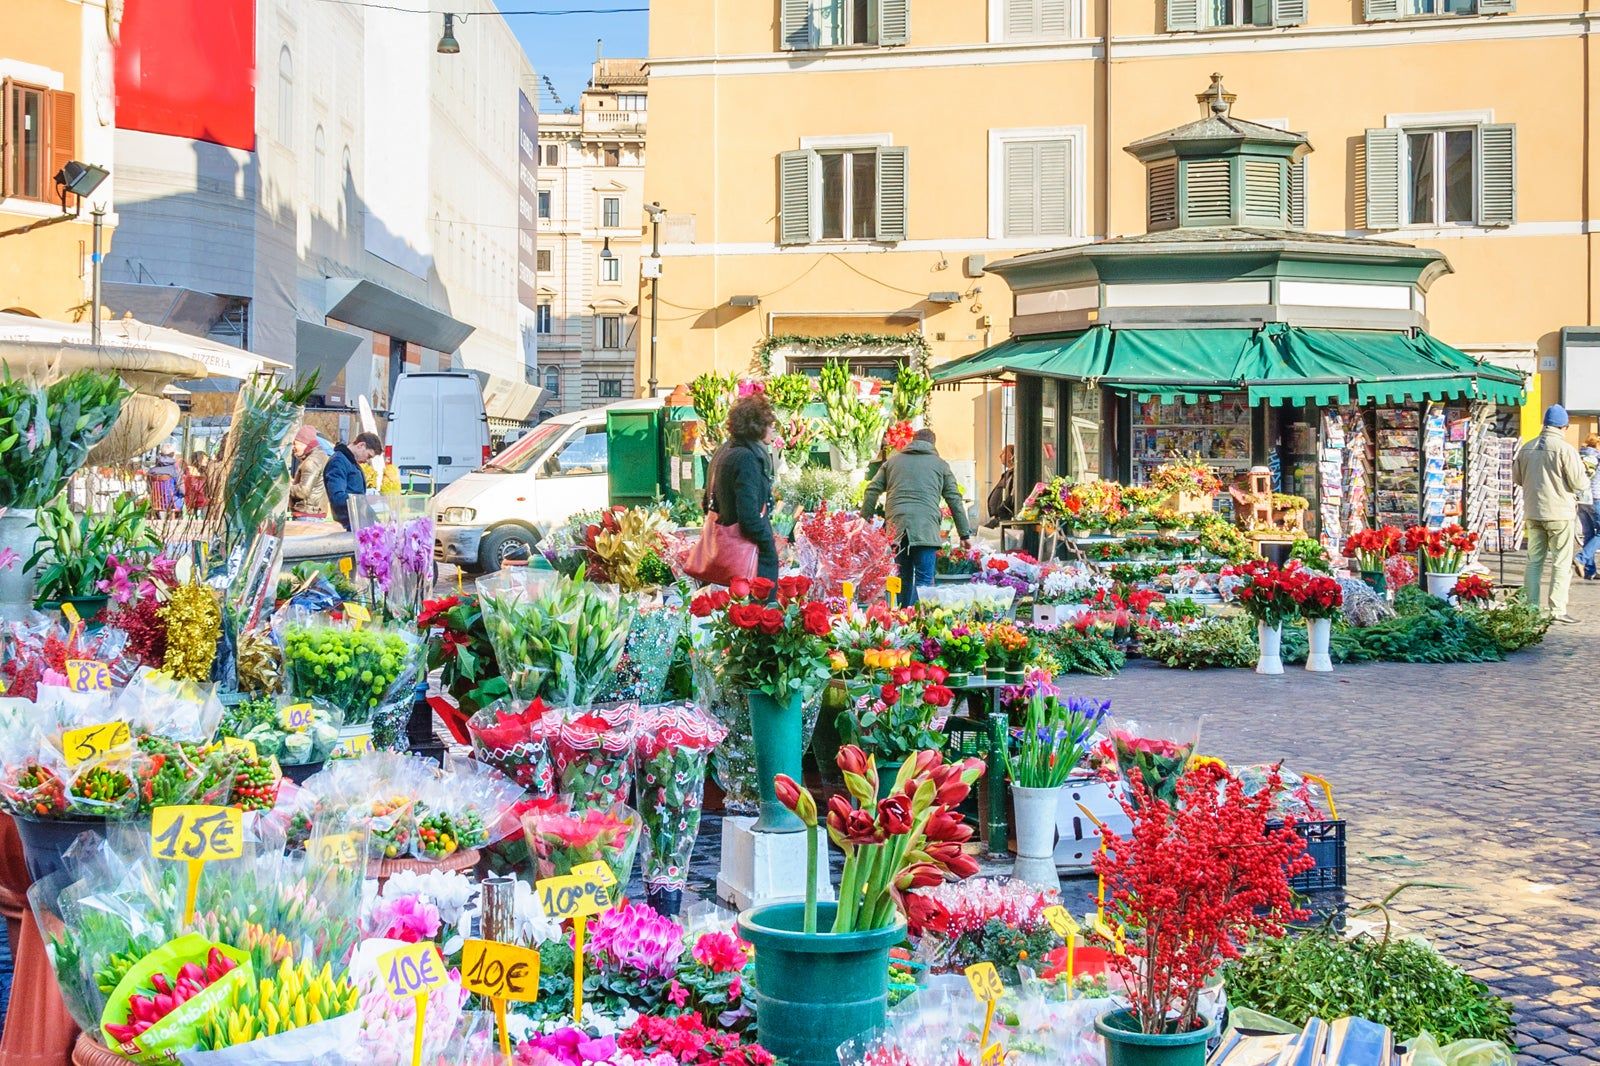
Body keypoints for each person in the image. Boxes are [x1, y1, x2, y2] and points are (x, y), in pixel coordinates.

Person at [862, 428, 973, 606]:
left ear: (912, 441)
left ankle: (900, 622)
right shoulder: (940, 465)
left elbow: (871, 490)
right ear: (933, 445)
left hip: (896, 529)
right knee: (924, 581)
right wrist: (964, 534)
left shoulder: (892, 462)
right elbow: (954, 499)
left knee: (901, 578)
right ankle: (918, 624)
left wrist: (865, 521)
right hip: (925, 530)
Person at [1513, 404, 1588, 623]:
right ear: (1564, 427)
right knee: (1561, 562)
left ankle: (1530, 608)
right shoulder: (1565, 450)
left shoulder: (1527, 447)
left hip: (1533, 513)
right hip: (1559, 514)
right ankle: (1557, 610)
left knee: (1534, 561)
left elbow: (1518, 479)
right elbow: (1578, 482)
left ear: (1545, 425)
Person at [704, 394, 780, 590]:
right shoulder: (747, 459)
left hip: (729, 552)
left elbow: (707, 502)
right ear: (757, 426)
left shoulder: (727, 452)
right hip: (750, 561)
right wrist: (768, 544)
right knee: (758, 613)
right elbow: (749, 517)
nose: (773, 429)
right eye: (770, 424)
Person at [324, 431, 381, 529]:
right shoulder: (338, 462)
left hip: (357, 522)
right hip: (349, 524)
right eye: (369, 456)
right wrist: (361, 501)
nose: (367, 461)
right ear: (361, 445)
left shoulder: (350, 462)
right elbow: (337, 497)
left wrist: (377, 522)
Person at [289, 425, 331, 517]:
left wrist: (285, 487)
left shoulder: (312, 461)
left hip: (307, 515)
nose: (293, 447)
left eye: (295, 443)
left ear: (304, 443)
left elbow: (303, 491)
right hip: (314, 512)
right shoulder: (321, 457)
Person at [1580, 435, 1600, 581]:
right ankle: (1581, 558)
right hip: (1596, 498)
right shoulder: (1597, 458)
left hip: (1581, 500)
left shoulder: (1579, 456)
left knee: (1588, 534)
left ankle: (1590, 570)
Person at [985, 444, 1017, 527]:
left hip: (1005, 517)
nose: (1000, 456)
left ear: (1012, 456)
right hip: (999, 517)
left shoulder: (1014, 474)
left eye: (1003, 453)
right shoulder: (1007, 474)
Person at [147, 444, 184, 513]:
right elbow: (182, 490)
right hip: (173, 503)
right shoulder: (176, 470)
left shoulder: (151, 471)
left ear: (160, 454)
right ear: (173, 454)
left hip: (156, 503)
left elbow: (149, 489)